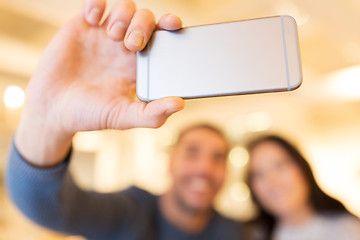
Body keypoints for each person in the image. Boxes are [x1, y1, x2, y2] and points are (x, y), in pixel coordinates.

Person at [5, 0, 244, 239]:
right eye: (192, 152)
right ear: (170, 161)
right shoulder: (129, 212)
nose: (204, 168)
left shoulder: (238, 232)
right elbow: (46, 208)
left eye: (218, 157)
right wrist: (48, 122)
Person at [245, 135, 360, 240]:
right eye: (258, 174)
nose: (272, 181)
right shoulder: (245, 235)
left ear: (302, 168)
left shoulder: (349, 229)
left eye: (280, 165)